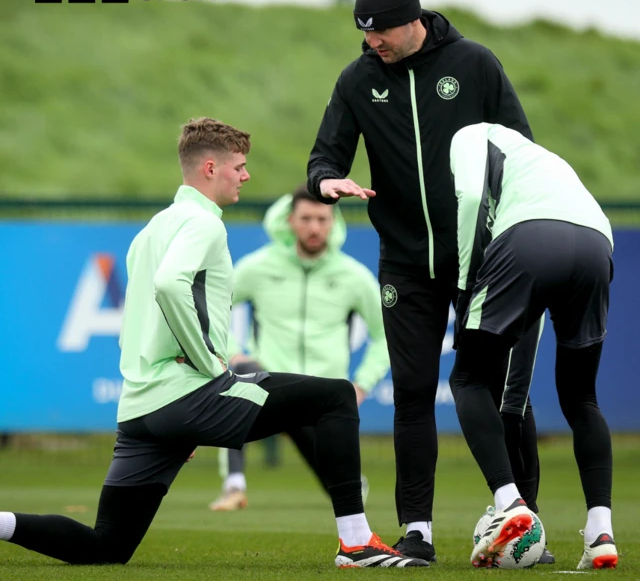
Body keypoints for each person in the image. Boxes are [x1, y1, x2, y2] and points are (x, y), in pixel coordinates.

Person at [0, 118, 428, 569]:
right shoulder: (204, 223)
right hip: (187, 392)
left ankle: (4, 523)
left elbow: (139, 321)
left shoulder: (152, 229)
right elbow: (169, 285)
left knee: (106, 546)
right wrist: (209, 367)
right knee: (335, 395)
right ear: (210, 168)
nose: (245, 176)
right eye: (239, 167)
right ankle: (356, 544)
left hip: (141, 408)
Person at [306, 0, 550, 562]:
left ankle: (527, 525)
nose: (372, 43)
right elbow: (324, 155)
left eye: (381, 31)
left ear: (412, 18)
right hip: (405, 264)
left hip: (484, 258)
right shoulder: (357, 80)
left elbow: (521, 149)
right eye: (363, 33)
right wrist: (326, 181)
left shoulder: (475, 64)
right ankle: (419, 532)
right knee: (412, 394)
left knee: (500, 394)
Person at [448, 123, 617, 570]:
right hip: (598, 244)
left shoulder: (467, 133)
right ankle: (601, 531)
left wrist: (467, 285)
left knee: (467, 378)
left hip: (529, 238)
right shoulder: (538, 155)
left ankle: (510, 503)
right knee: (582, 398)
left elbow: (467, 200)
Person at [210, 186, 389, 511]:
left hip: (325, 393)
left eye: (322, 219)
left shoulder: (353, 276)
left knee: (339, 488)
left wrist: (362, 384)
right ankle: (234, 484)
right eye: (306, 218)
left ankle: (347, 486)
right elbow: (213, 309)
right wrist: (233, 352)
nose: (314, 227)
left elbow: (385, 335)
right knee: (239, 379)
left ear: (333, 222)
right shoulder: (258, 267)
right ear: (290, 221)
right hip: (271, 382)